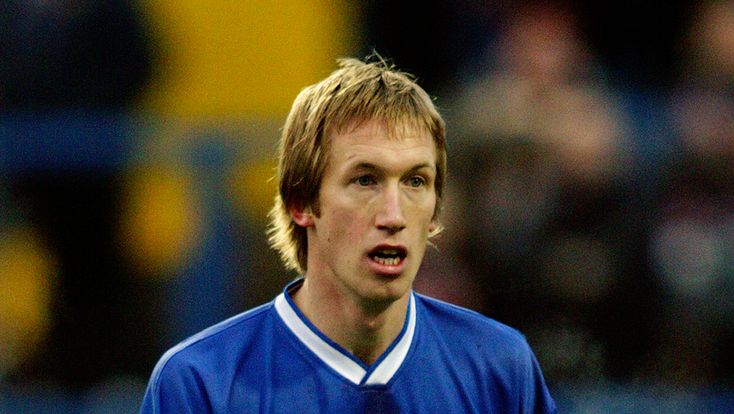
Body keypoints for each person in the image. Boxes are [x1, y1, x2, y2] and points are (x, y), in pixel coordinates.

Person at [140, 56, 557, 413]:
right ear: (300, 203)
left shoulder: (499, 369)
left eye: (415, 181)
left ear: (435, 212)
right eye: (364, 180)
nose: (393, 215)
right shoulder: (201, 384)